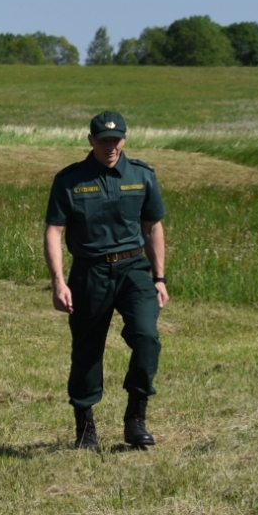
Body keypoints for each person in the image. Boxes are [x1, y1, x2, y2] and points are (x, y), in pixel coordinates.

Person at [44, 111, 167, 450]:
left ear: (124, 140)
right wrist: (58, 282)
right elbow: (54, 231)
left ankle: (135, 418)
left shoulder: (142, 175)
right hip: (89, 273)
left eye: (116, 140)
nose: (110, 146)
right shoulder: (70, 180)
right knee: (87, 350)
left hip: (133, 271)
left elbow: (152, 227)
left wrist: (160, 277)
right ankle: (85, 429)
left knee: (147, 337)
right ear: (91, 140)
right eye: (103, 140)